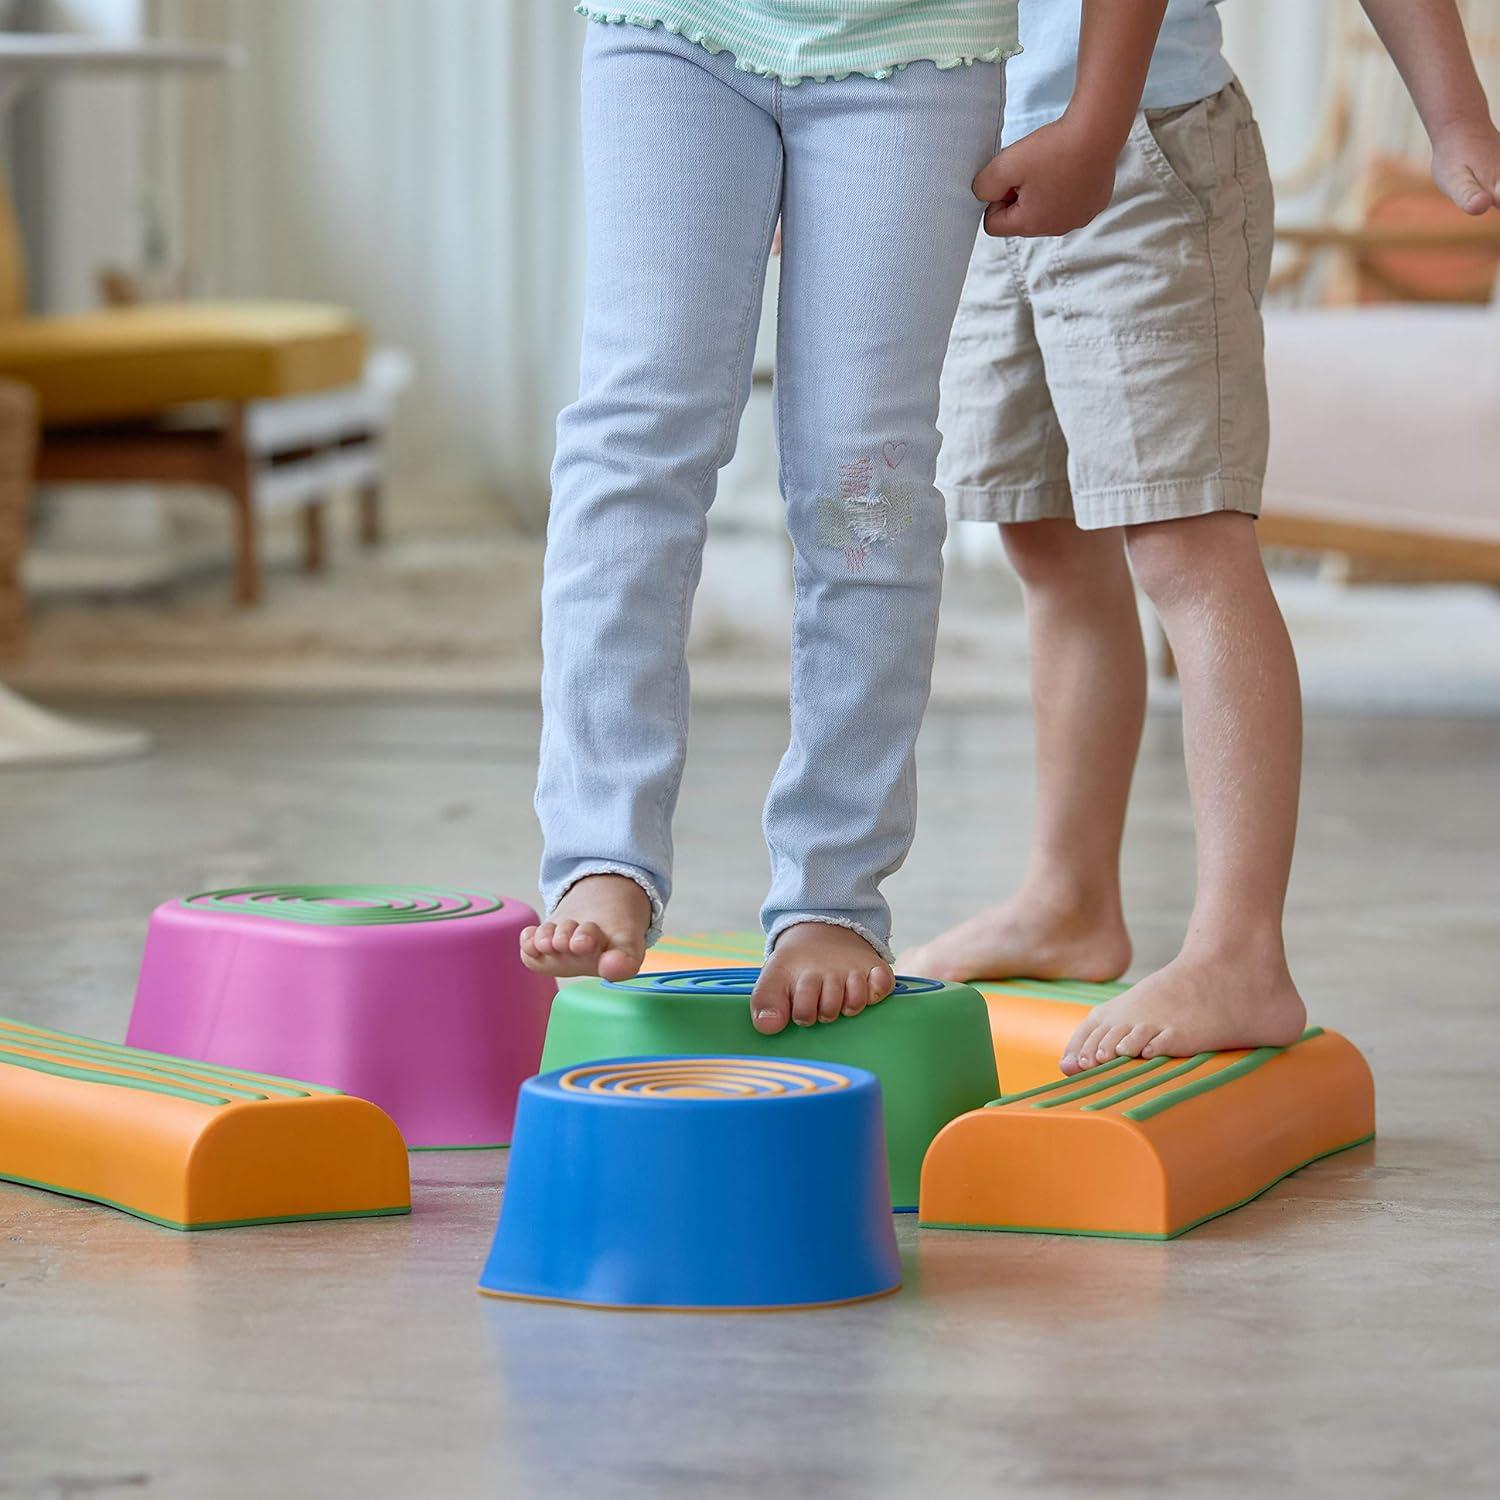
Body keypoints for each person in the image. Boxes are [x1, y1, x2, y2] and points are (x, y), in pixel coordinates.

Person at [520, 0, 1175, 1033]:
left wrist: (1097, 122)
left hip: (915, 57)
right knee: (634, 436)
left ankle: (832, 888)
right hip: (675, 32)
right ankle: (601, 849)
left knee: (865, 484)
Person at [898, 0, 1500, 1073]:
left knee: (1187, 546)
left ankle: (1240, 951)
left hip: (1142, 149)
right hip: (985, 167)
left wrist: (1454, 120)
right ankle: (1068, 895)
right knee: (1042, 535)